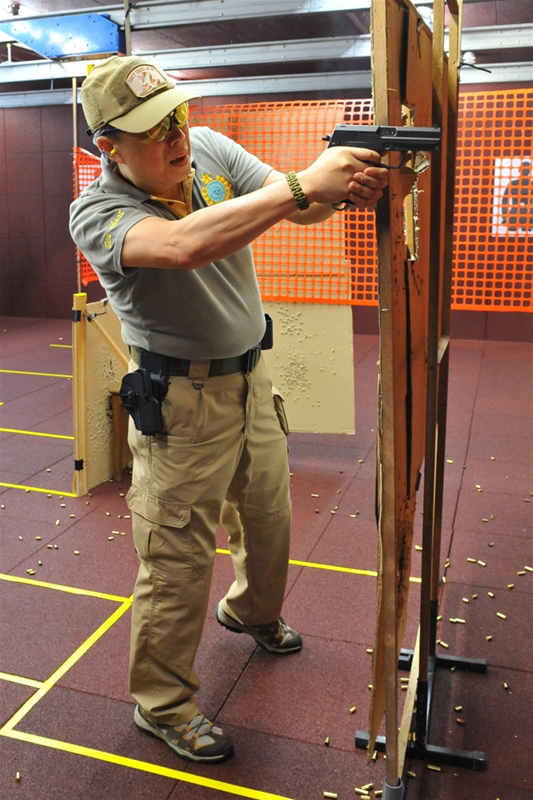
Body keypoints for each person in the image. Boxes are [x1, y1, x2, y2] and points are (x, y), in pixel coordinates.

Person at [70, 55, 388, 765]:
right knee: (176, 562)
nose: (177, 136)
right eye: (154, 130)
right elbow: (184, 245)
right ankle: (162, 704)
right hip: (180, 407)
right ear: (109, 147)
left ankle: (250, 612)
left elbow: (299, 204)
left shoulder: (208, 149)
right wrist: (305, 182)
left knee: (270, 522)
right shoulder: (97, 212)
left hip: (250, 382)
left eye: (177, 116)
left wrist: (339, 186)